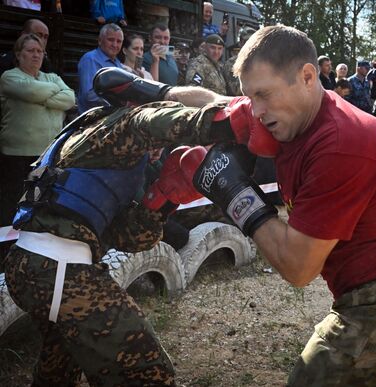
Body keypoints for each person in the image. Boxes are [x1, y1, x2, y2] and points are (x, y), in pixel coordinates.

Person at [193, 25, 376, 386]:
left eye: (263, 95)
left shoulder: (339, 144)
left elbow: (299, 267)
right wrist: (152, 95)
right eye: (250, 96)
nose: (255, 111)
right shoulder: (299, 111)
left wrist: (235, 194)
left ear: (307, 76)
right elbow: (216, 102)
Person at [3, 65, 274, 385]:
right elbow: (163, 122)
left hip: (35, 269)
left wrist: (163, 198)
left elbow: (127, 238)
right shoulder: (121, 124)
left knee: (59, 371)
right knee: (146, 371)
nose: (158, 150)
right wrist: (242, 117)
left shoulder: (93, 147)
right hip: (60, 268)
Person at [0, 33, 74, 259]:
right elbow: (30, 91)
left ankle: (31, 254)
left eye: (40, 51)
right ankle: (4, 257)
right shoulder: (9, 77)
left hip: (44, 157)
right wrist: (50, 93)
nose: (36, 55)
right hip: (16, 157)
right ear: (19, 54)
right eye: (31, 50)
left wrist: (39, 93)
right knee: (10, 208)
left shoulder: (51, 77)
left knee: (36, 205)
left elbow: (70, 98)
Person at [77, 23, 123, 113]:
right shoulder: (90, 59)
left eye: (119, 41)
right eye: (111, 40)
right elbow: (89, 95)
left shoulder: (117, 63)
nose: (115, 44)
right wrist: (118, 102)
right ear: (100, 41)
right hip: (92, 121)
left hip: (111, 118)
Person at [223, 26, 256, 96]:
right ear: (240, 43)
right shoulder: (232, 63)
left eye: (253, 42)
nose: (249, 45)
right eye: (246, 42)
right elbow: (236, 90)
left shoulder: (260, 61)